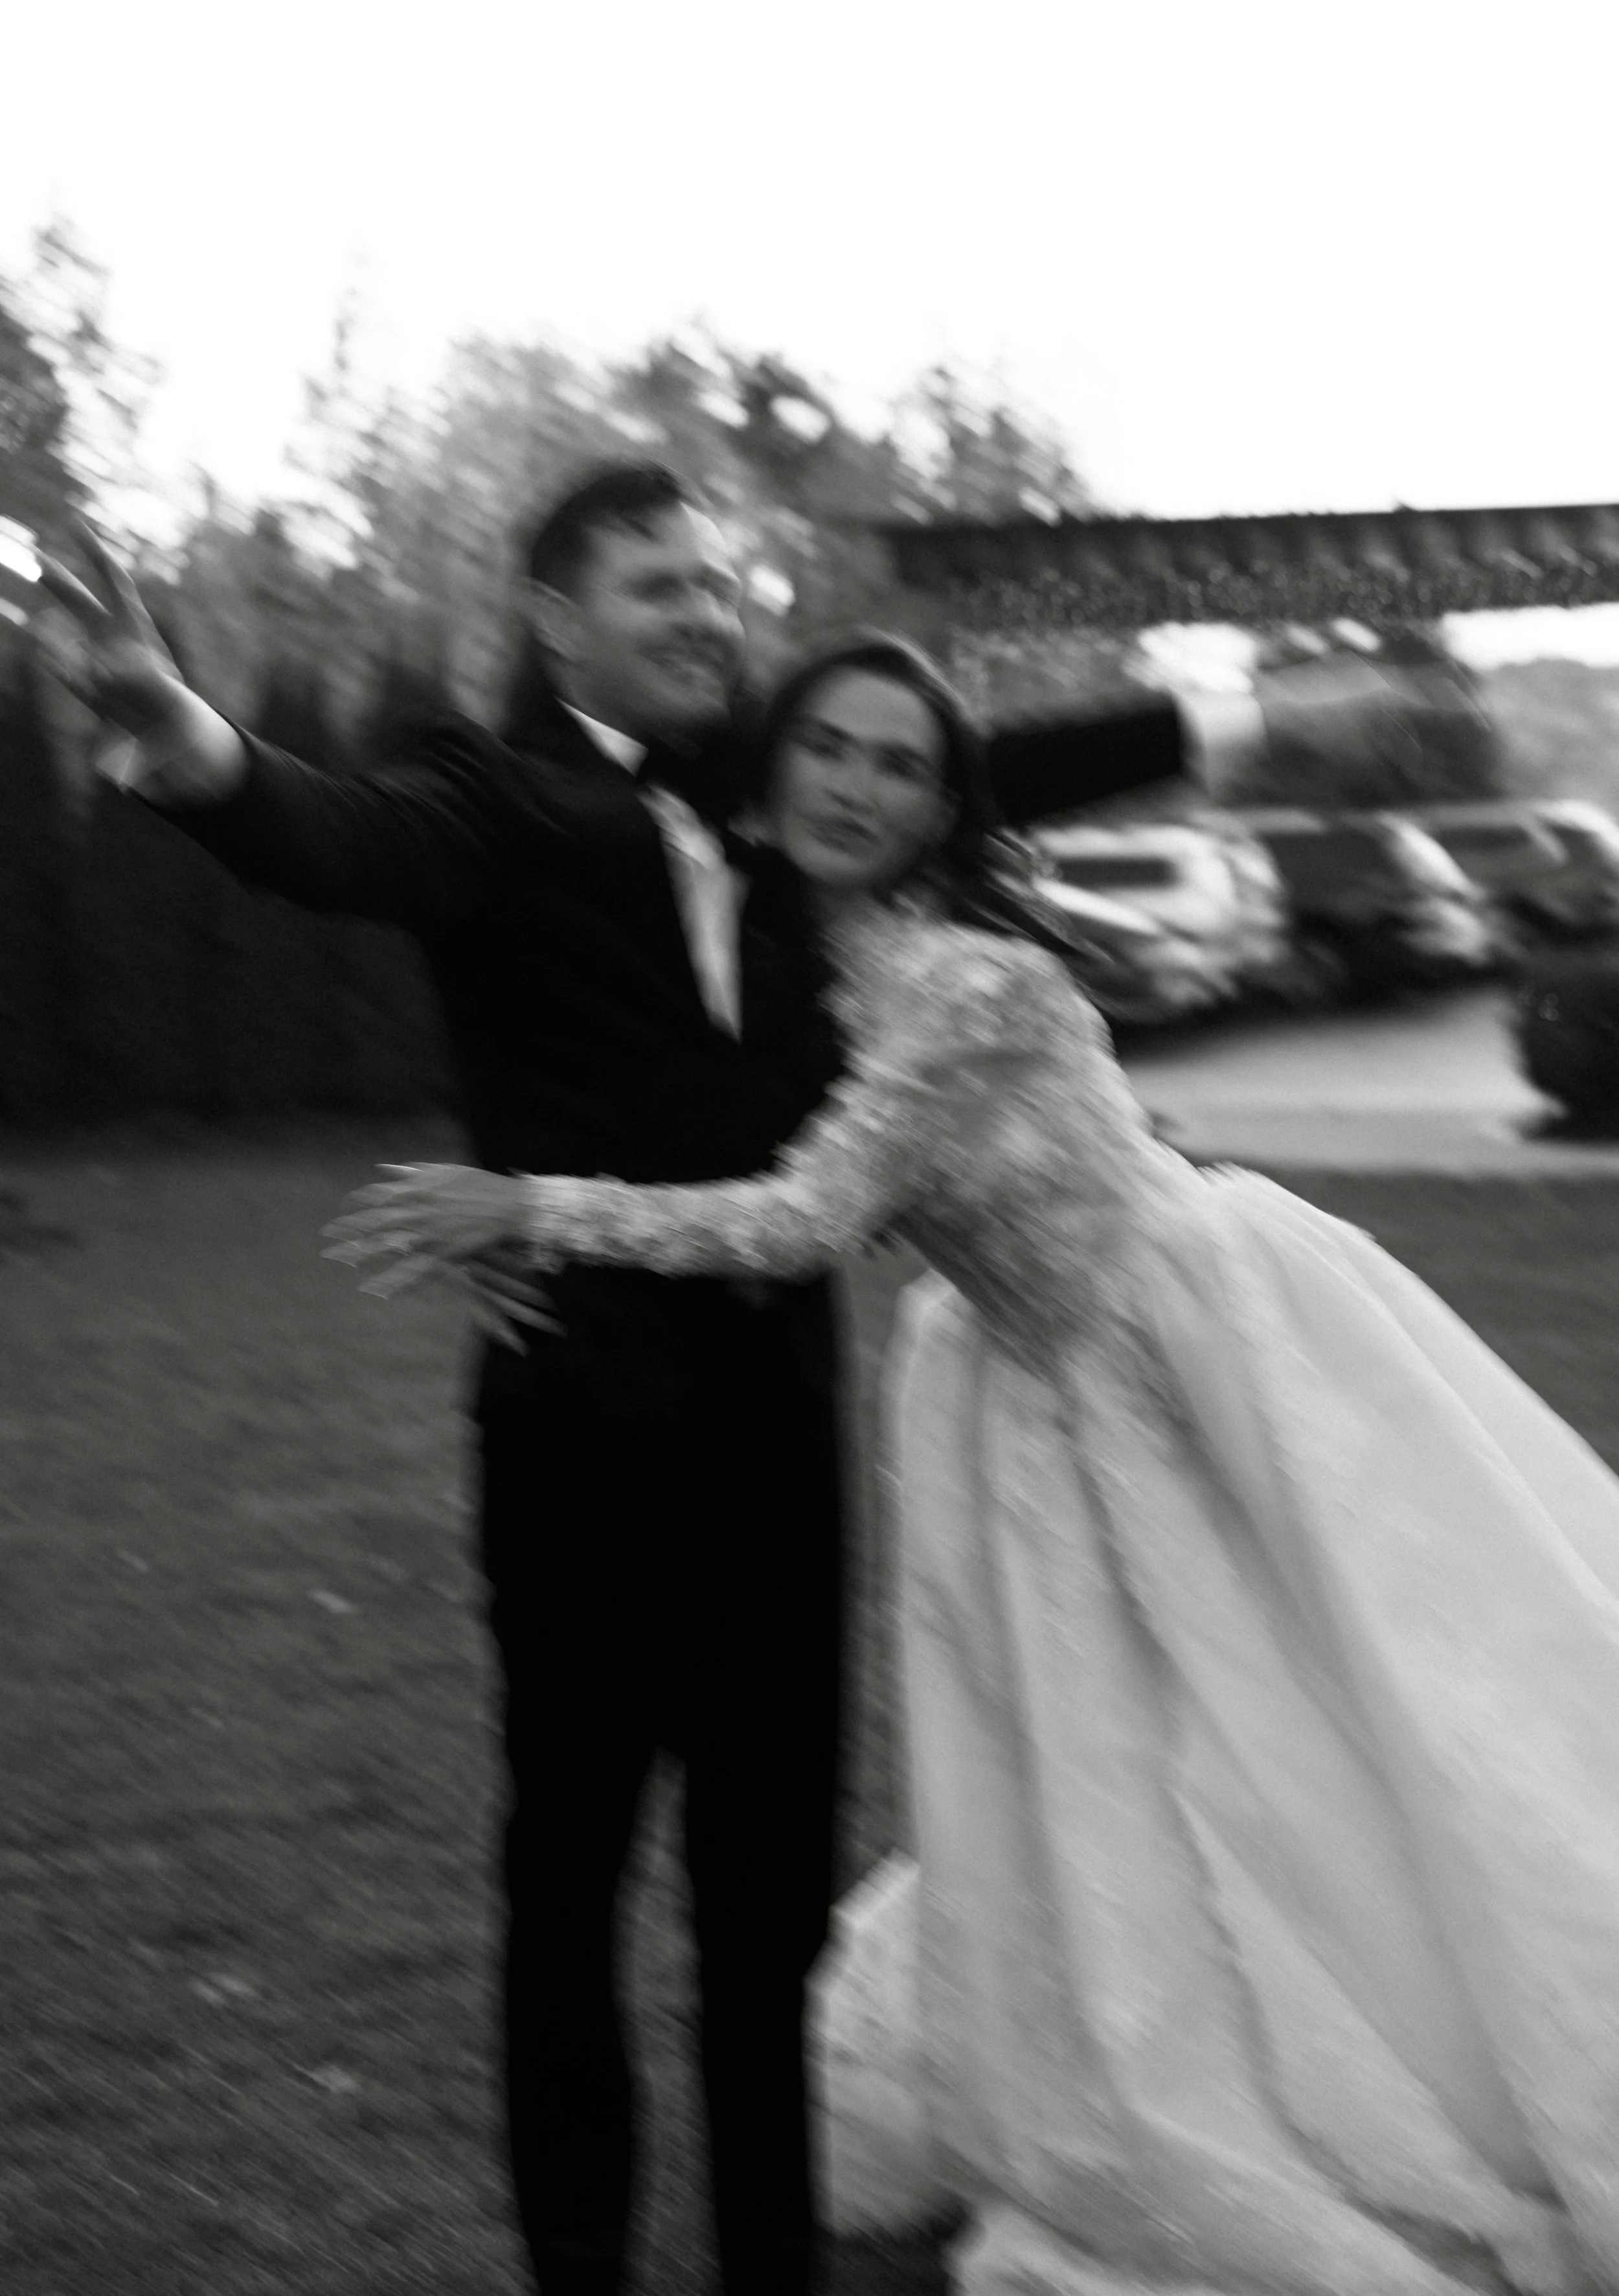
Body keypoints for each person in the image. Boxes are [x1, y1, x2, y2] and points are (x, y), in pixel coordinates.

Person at [33, 473, 1236, 2296]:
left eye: (721, 584)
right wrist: (188, 736)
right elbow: (330, 834)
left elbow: (970, 766)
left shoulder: (789, 787)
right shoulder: (487, 800)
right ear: (553, 613)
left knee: (766, 1919)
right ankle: (577, 2263)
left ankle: (771, 2264)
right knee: (566, 1891)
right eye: (661, 585)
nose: (707, 613)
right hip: (580, 1439)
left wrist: (1217, 709)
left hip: (780, 1434)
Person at [337, 631, 1619, 2296]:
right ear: (771, 764)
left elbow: (801, 1219)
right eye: (829, 751)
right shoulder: (790, 951)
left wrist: (532, 1208)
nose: (857, 789)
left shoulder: (966, 981)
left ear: (946, 808)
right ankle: (1265, 2028)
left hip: (1185, 1343)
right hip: (1039, 1382)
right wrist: (530, 1193)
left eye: (901, 766)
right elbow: (618, 1033)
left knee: (1349, 1692)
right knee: (1170, 1753)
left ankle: (1477, 2034)